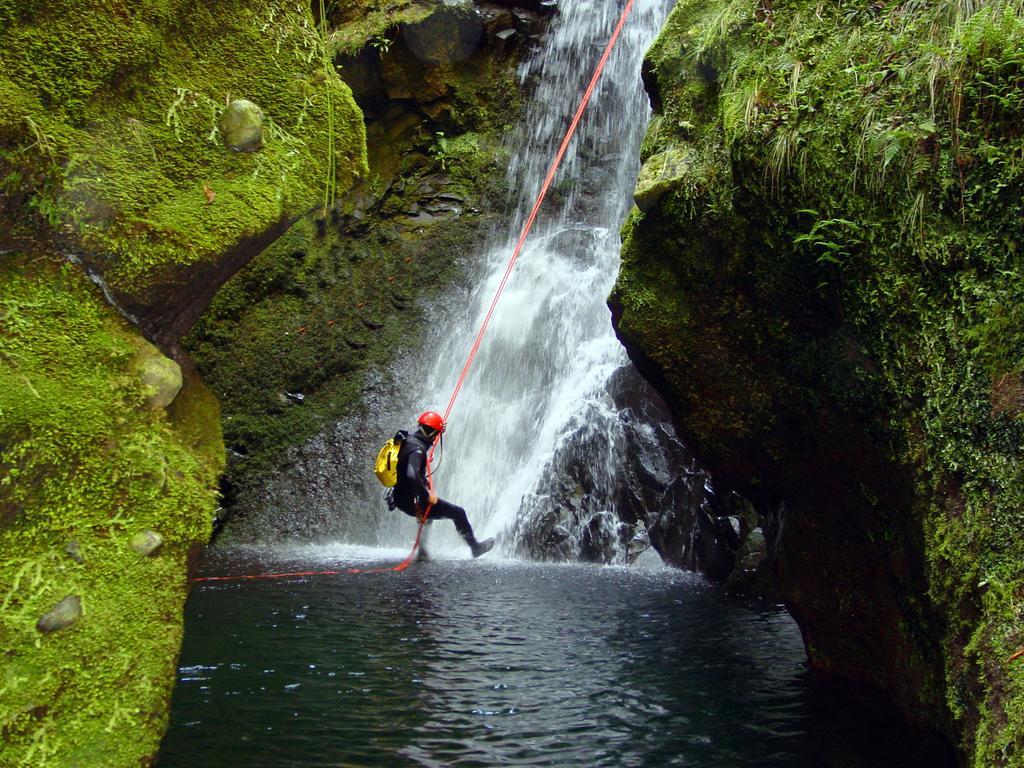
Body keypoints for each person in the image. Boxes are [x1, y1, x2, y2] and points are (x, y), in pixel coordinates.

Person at [391, 410, 494, 559]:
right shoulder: (417, 450)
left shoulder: (408, 440)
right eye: (436, 435)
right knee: (458, 513)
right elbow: (411, 474)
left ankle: (422, 551)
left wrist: (438, 428)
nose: (435, 440)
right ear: (432, 433)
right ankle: (475, 547)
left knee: (429, 514)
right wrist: (426, 495)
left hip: (400, 496)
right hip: (411, 500)